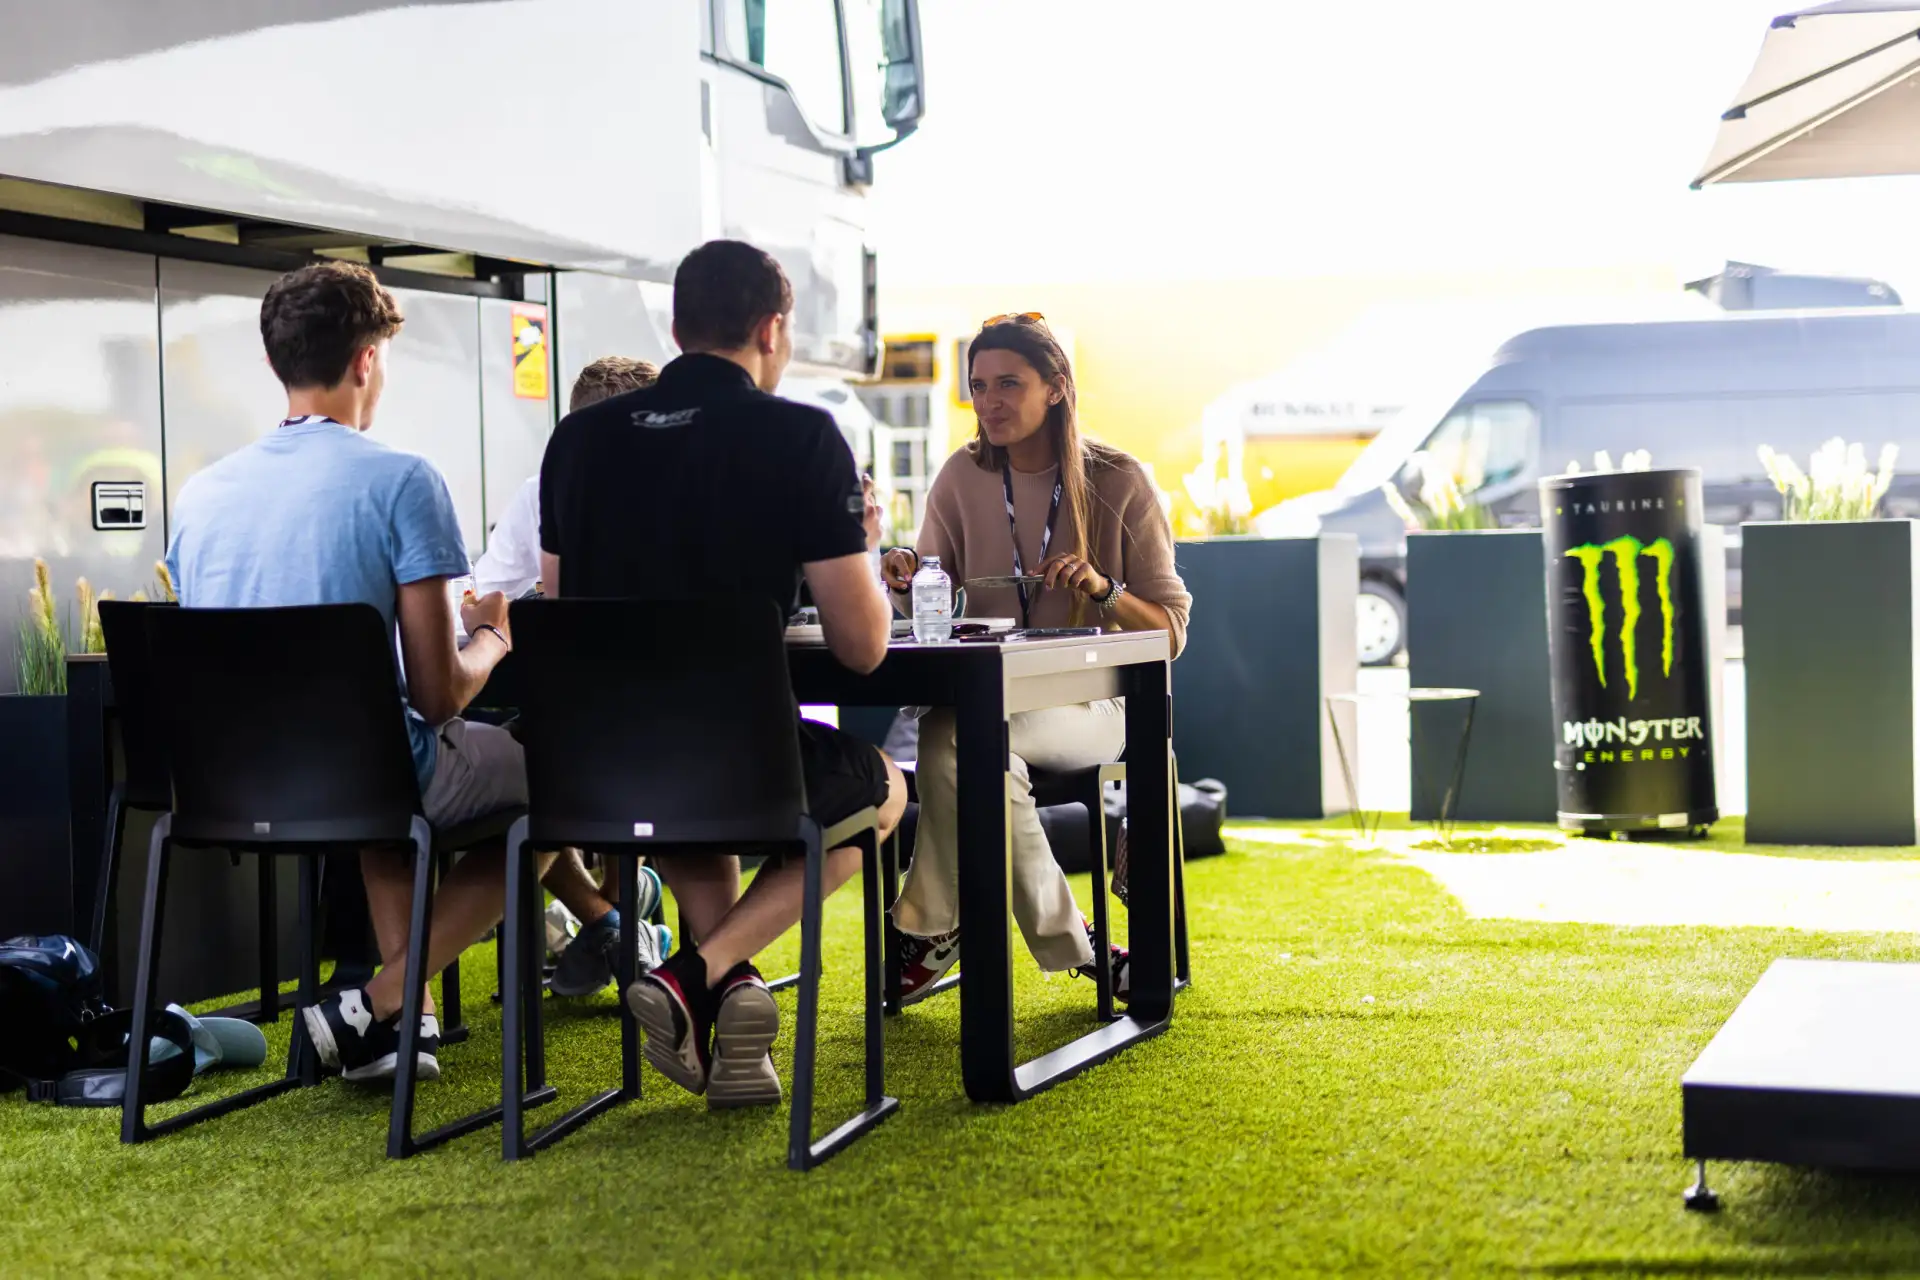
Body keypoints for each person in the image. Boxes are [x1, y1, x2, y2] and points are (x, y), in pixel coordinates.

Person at [538, 239, 907, 1109]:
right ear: (772, 330)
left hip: (603, 766)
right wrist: (860, 543)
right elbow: (862, 648)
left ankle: (733, 1017)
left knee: (696, 811)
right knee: (884, 791)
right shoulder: (802, 437)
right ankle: (696, 975)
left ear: (676, 329)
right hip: (741, 758)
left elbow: (560, 607)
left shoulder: (576, 441)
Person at [166, 262, 545, 1084]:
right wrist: (492, 637)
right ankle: (382, 997)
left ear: (276, 361)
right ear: (368, 360)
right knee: (574, 777)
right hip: (370, 774)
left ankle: (399, 1031)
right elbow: (437, 695)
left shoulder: (198, 495)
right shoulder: (402, 479)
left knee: (382, 781)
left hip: (229, 787)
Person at [880, 313, 1191, 1005]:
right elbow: (932, 596)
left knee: (954, 738)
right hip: (993, 700)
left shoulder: (1118, 478)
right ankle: (1079, 945)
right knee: (959, 741)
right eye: (978, 385)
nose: (989, 401)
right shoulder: (960, 475)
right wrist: (905, 578)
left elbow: (1169, 632)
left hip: (1095, 705)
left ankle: (931, 929)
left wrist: (1104, 590)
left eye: (1008, 384)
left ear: (1055, 388)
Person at [470, 355, 674, 998]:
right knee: (543, 766)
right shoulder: (542, 493)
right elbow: (484, 593)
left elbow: (485, 604)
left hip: (637, 725)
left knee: (546, 769)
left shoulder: (681, 492)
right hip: (636, 722)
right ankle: (614, 919)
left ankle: (616, 912)